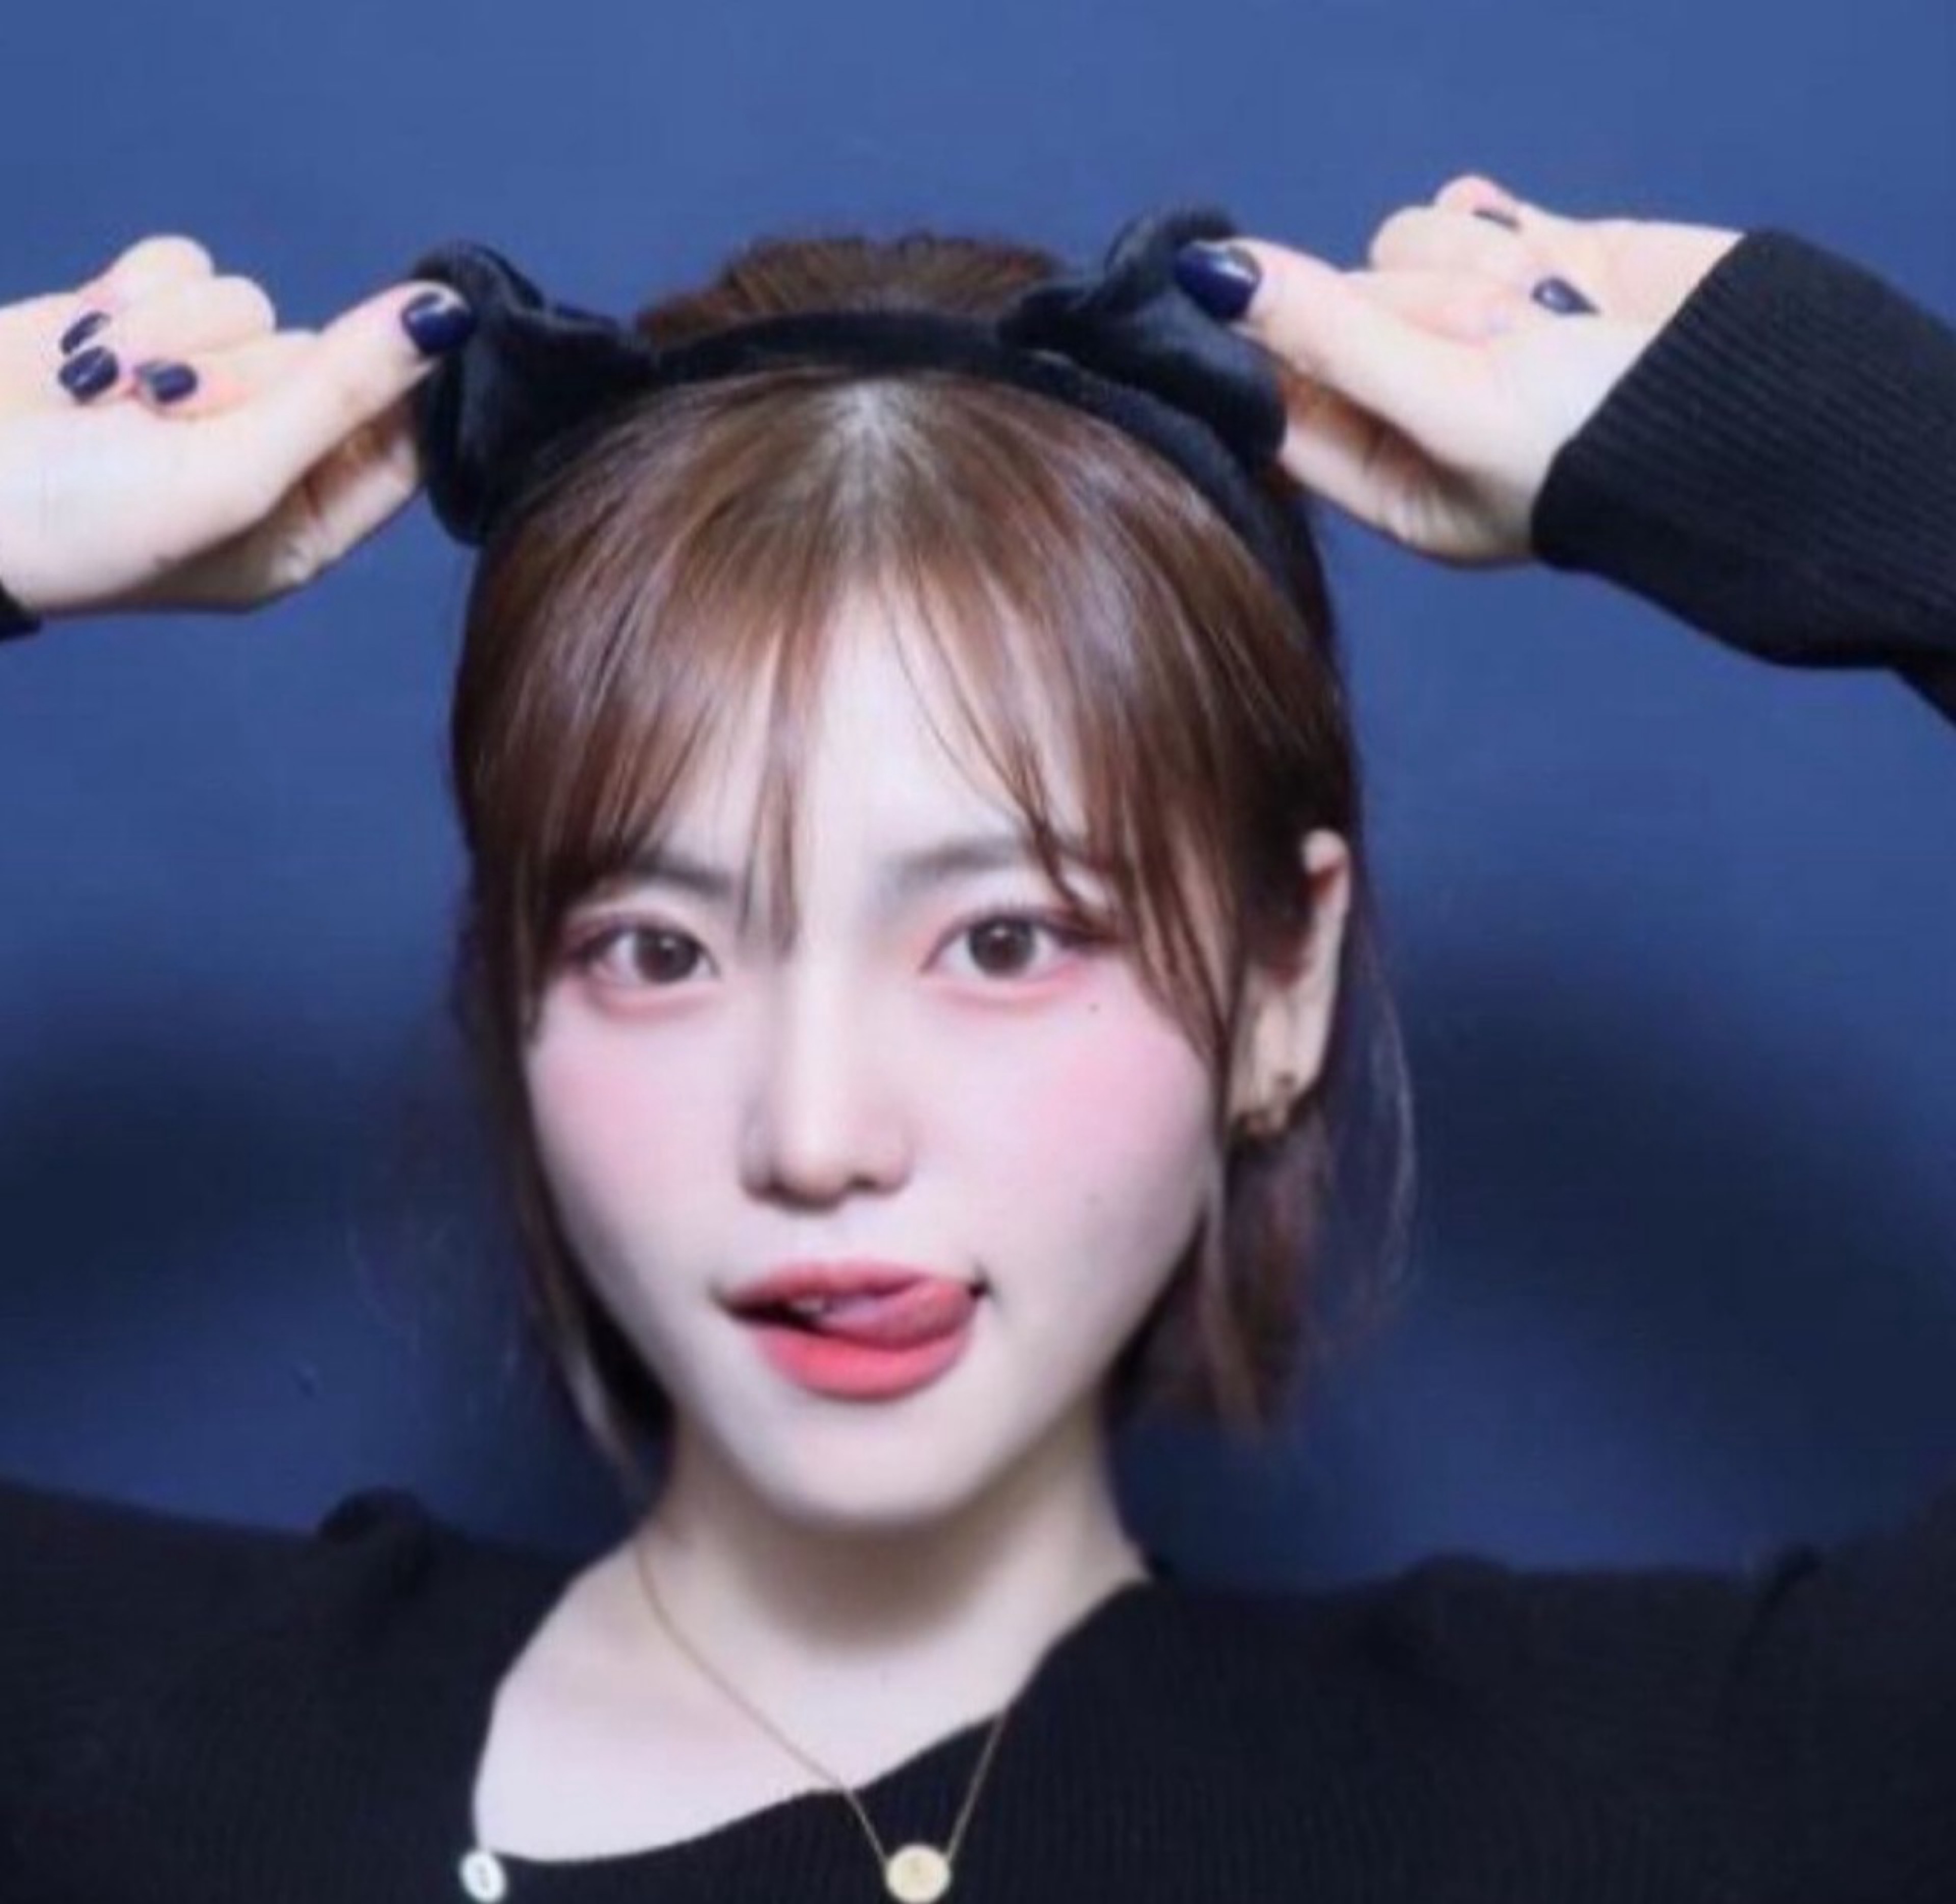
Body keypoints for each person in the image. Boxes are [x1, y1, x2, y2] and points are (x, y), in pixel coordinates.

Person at [1, 170, 1951, 1902]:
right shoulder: (121, 1755)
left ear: (1285, 984)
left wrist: (1816, 431)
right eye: (658, 949)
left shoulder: (1650, 1799)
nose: (818, 1133)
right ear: (507, 989)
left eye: (1003, 939)